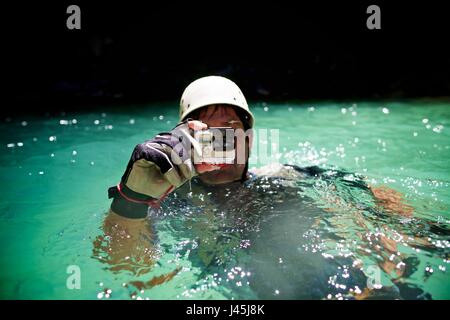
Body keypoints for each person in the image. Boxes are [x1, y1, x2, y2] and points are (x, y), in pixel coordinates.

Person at [93, 75, 418, 298]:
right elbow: (122, 265)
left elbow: (382, 200)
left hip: (343, 279)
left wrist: (390, 251)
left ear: (248, 140)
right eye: (206, 134)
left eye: (229, 132)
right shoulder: (165, 200)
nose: (220, 145)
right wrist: (133, 198)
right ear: (183, 140)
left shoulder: (285, 176)